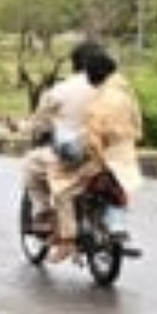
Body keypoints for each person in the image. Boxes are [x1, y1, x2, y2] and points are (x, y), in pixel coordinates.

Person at [18, 39, 106, 261]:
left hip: (77, 154)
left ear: (74, 64)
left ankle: (50, 223)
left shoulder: (62, 91)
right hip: (112, 155)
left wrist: (22, 127)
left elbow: (39, 122)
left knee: (32, 166)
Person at [58, 43, 144, 250]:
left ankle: (67, 240)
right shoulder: (126, 91)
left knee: (60, 186)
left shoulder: (100, 101)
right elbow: (139, 129)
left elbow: (94, 141)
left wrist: (91, 158)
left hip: (104, 159)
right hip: (126, 158)